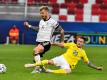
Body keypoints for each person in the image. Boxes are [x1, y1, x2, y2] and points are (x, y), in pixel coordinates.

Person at [25, 36, 103, 74]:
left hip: (67, 65)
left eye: (81, 41)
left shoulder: (83, 52)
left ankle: (48, 71)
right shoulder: (72, 44)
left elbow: (88, 63)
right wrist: (53, 43)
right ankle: (33, 65)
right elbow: (62, 45)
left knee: (68, 71)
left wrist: (97, 68)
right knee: (49, 62)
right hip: (62, 58)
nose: (79, 42)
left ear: (83, 43)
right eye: (78, 41)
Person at [24, 6, 64, 73]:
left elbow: (62, 31)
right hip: (39, 42)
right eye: (40, 13)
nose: (41, 15)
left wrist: (62, 42)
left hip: (46, 42)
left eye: (42, 13)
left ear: (47, 12)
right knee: (36, 56)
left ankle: (37, 69)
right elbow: (39, 29)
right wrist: (29, 26)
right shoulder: (41, 21)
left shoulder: (53, 22)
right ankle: (42, 68)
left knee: (36, 50)